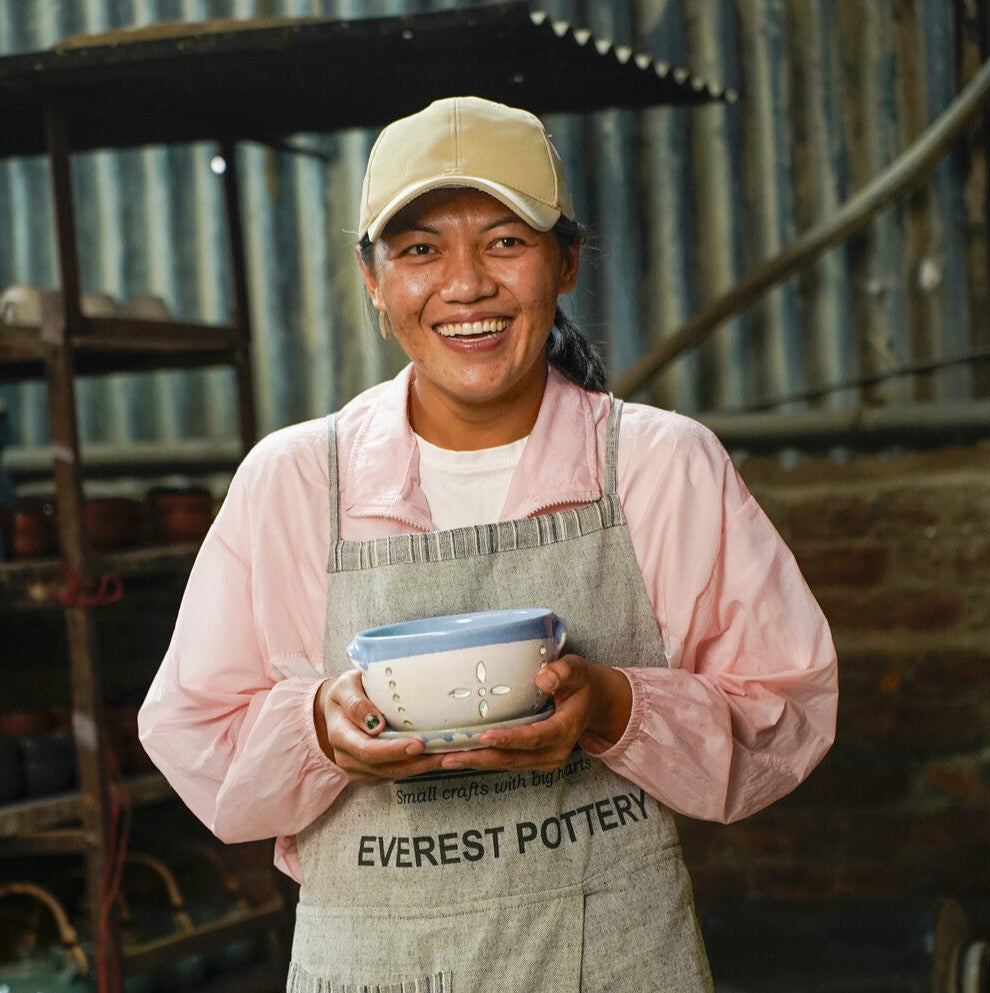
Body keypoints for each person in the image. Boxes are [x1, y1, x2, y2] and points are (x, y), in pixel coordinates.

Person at [139, 95, 838, 992]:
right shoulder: (296, 482)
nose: (465, 284)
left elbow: (789, 710)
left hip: (615, 959)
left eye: (505, 241)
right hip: (370, 965)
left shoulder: (660, 465)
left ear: (567, 261)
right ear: (371, 277)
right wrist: (320, 729)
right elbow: (194, 733)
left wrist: (614, 708)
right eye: (420, 249)